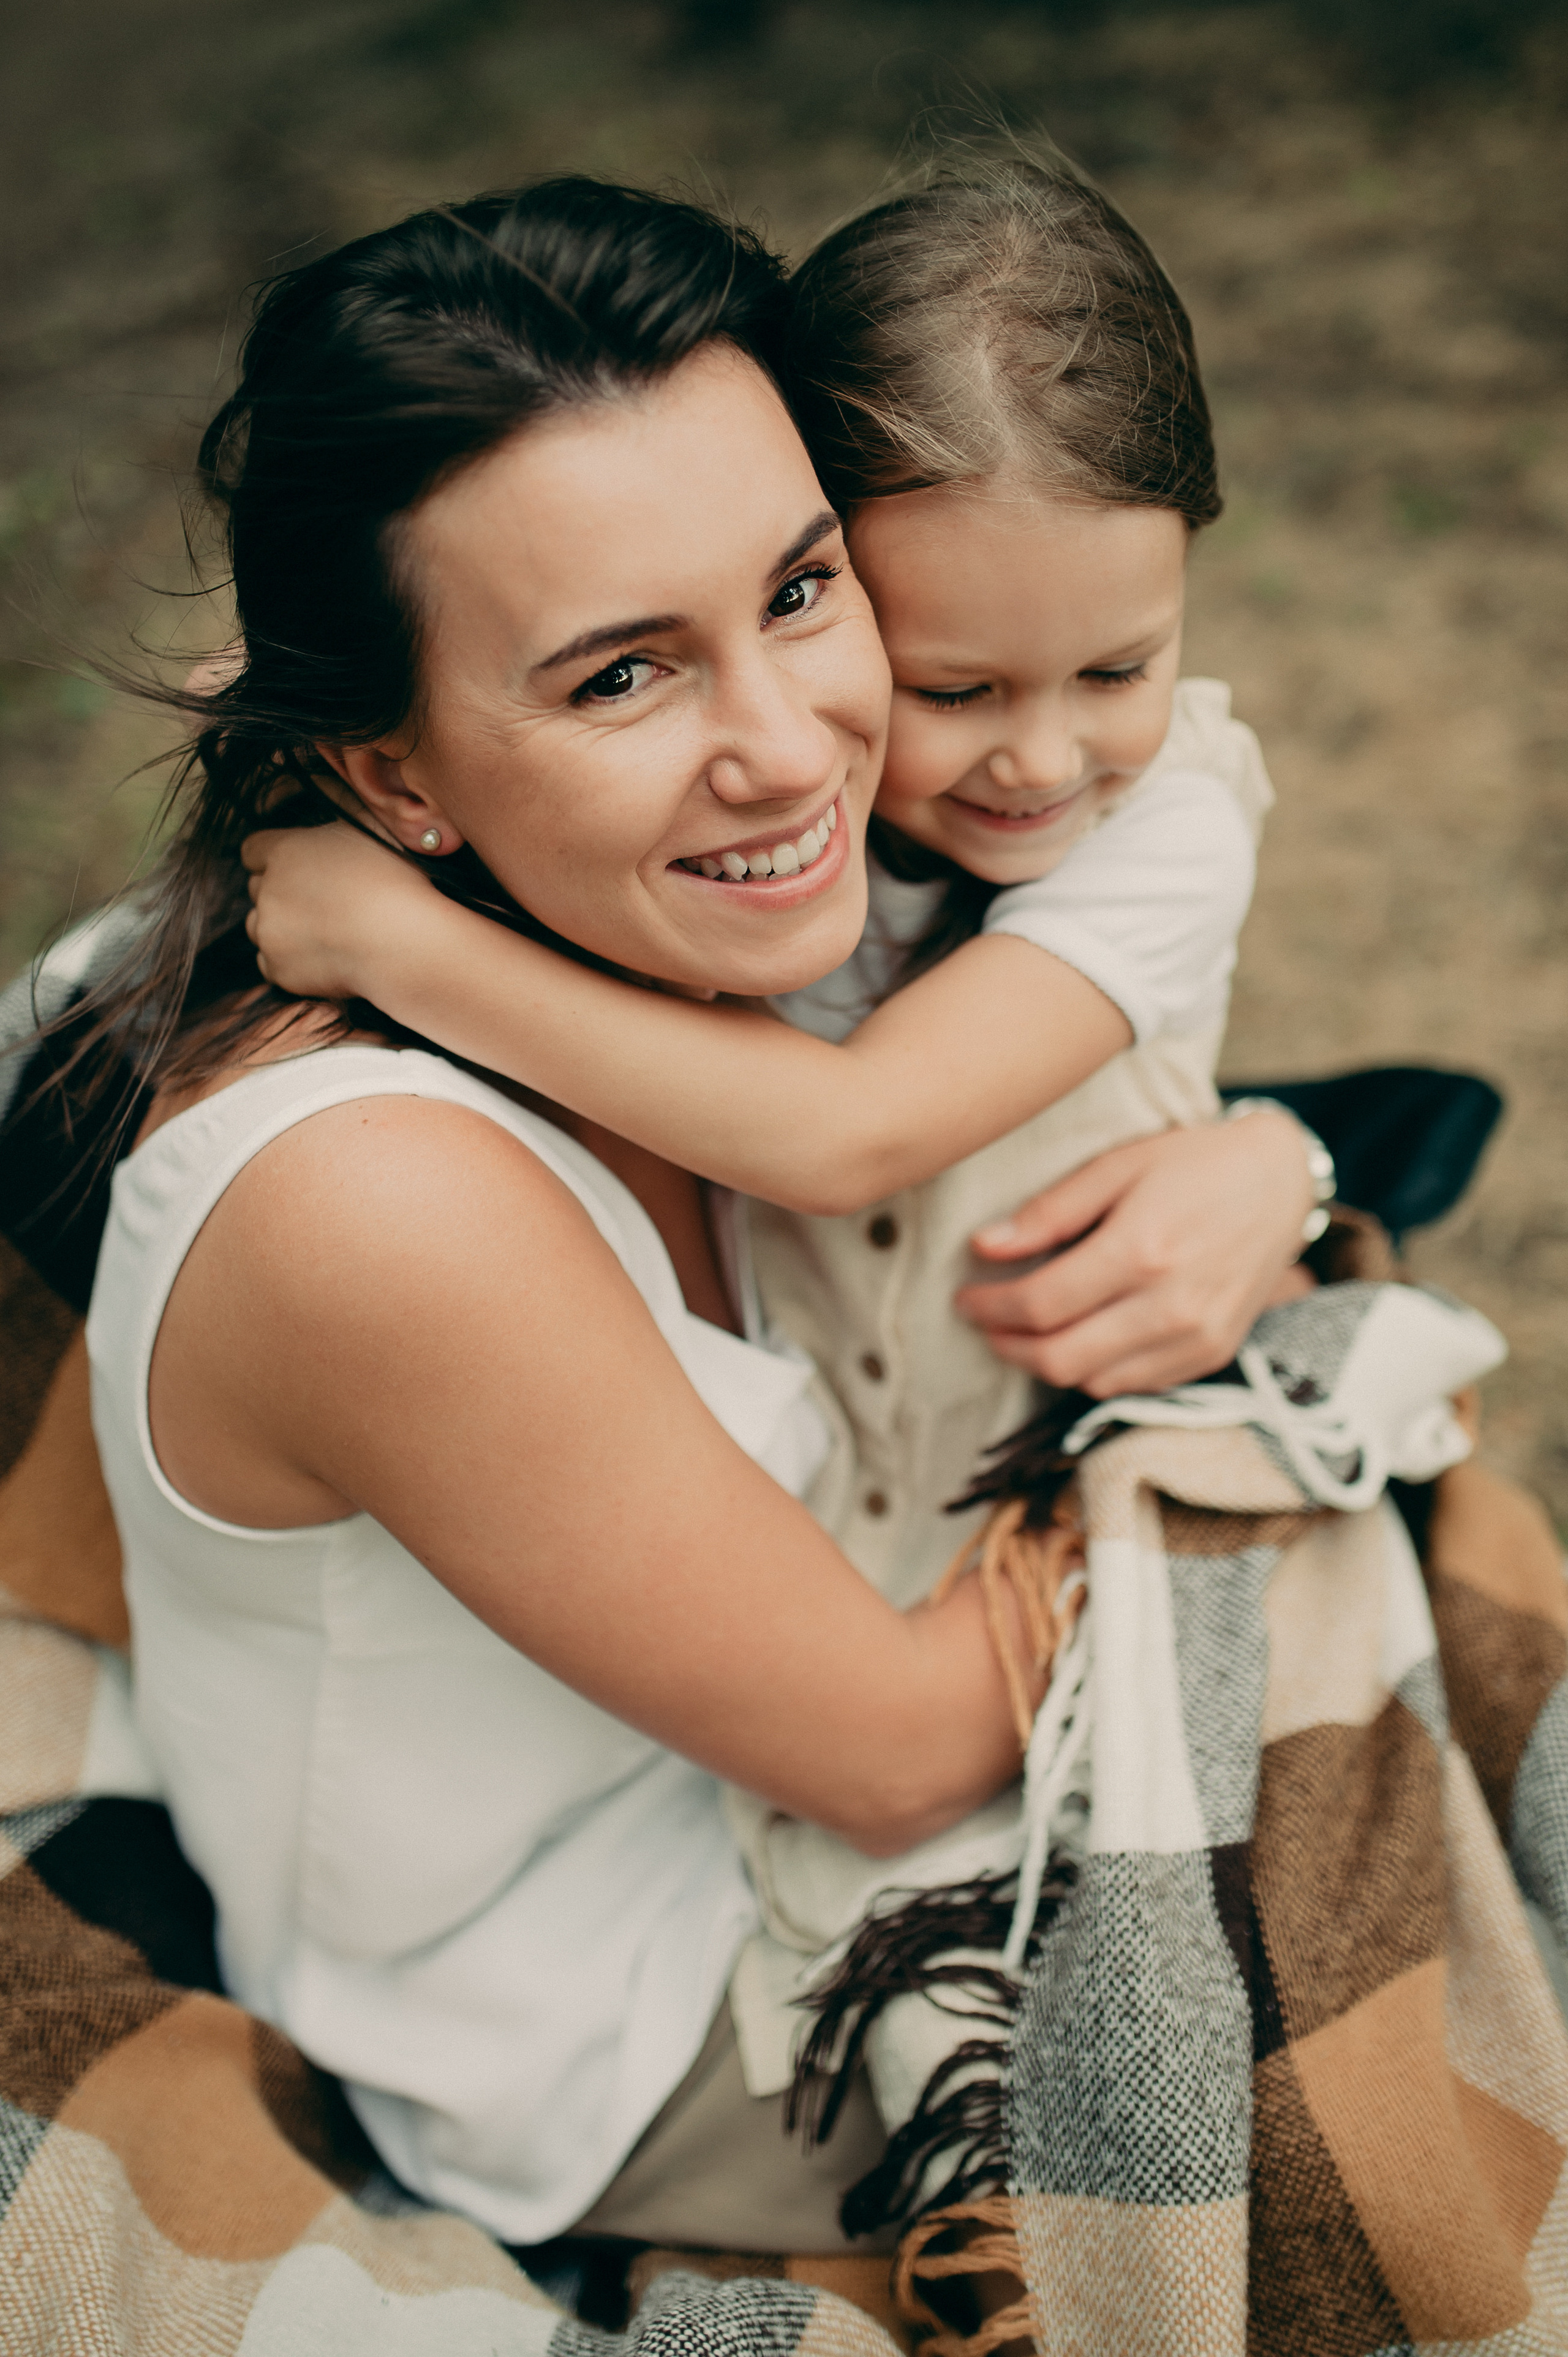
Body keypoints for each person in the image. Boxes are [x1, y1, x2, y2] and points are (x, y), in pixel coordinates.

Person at [67, 177, 1316, 2266]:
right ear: (393, 778)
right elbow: (906, 1757)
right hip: (651, 2001)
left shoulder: (719, 939)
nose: (794, 752)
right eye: (627, 674)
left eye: (806, 591)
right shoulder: (378, 1196)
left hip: (833, 1739)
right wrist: (1227, 1418)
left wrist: (1282, 1166)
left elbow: (993, 1108)